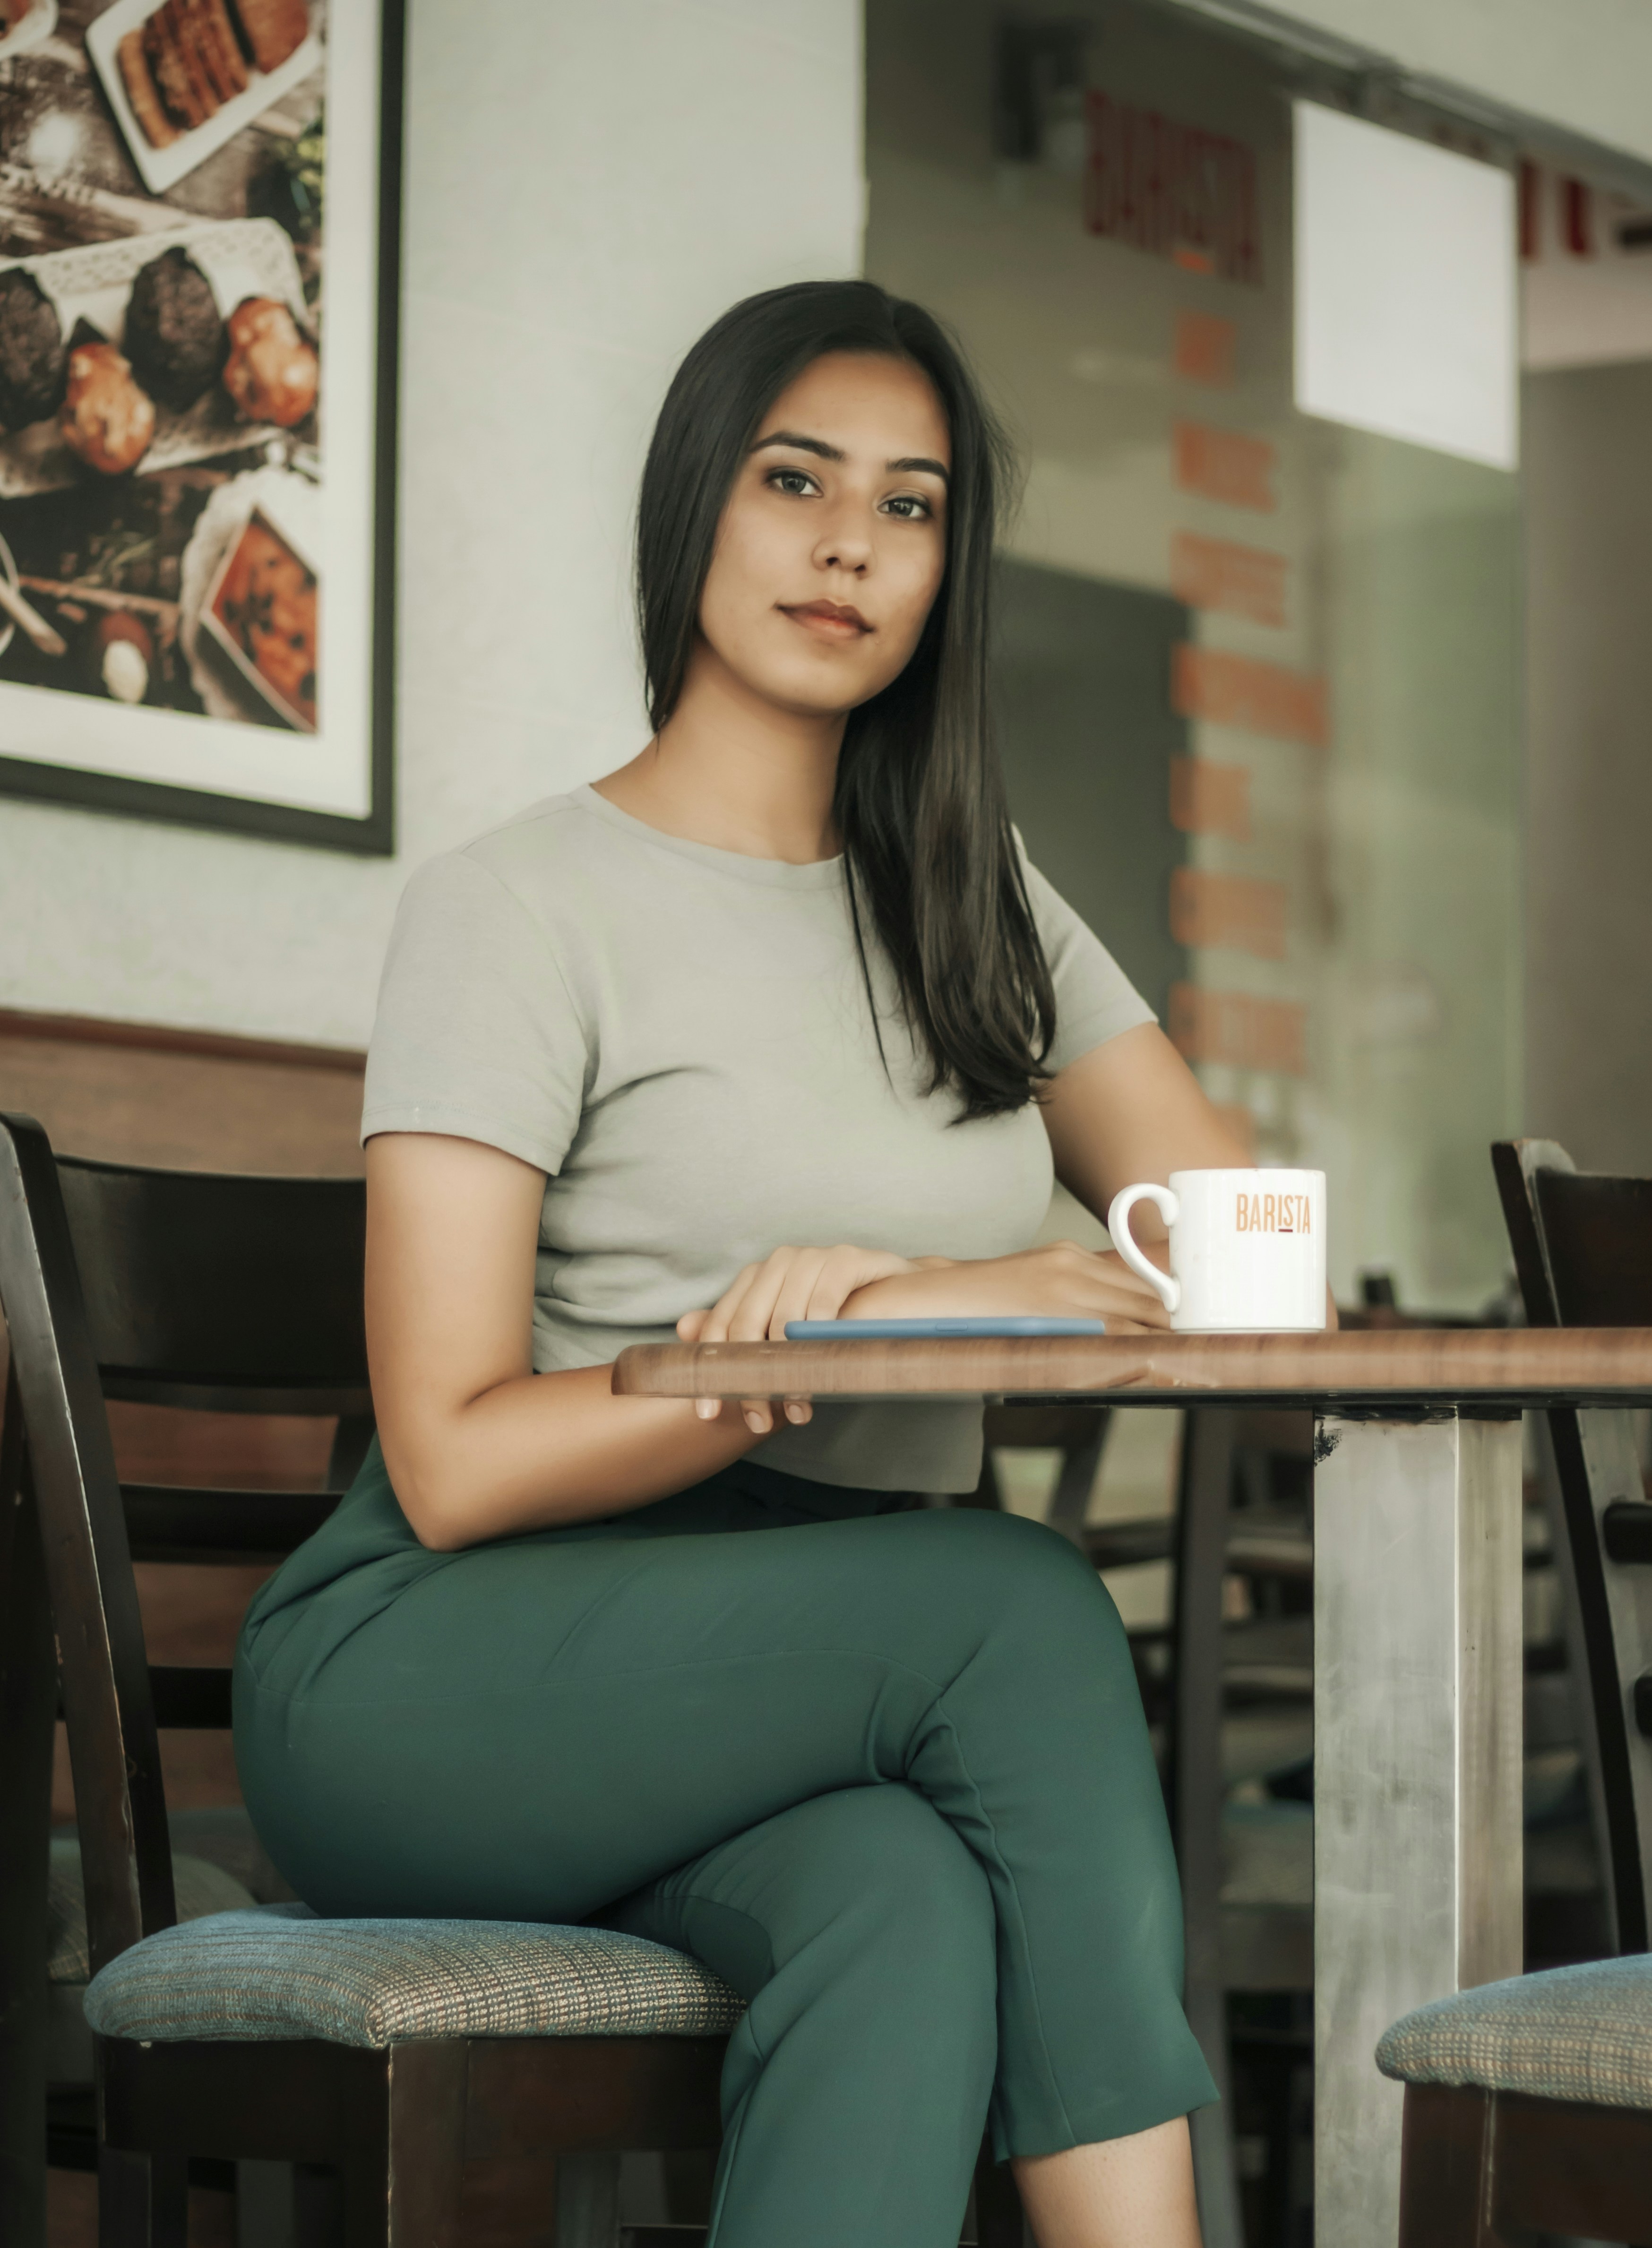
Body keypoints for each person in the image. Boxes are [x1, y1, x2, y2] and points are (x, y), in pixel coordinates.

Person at [236, 280, 1254, 2248]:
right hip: (448, 1664)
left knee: (904, 1898)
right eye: (797, 480)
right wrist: (879, 1315)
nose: (853, 542)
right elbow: (450, 1460)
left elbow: (1236, 1260)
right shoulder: (516, 906)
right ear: (697, 498)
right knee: (1022, 1604)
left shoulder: (980, 906)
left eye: (915, 502)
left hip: (808, 1676)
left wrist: (982, 1270)